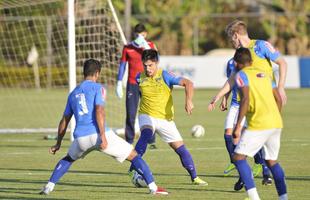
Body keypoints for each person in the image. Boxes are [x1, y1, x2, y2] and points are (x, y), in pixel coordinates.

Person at [39, 59, 168, 195]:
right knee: (134, 156)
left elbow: (64, 121)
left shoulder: (73, 93)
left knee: (68, 159)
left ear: (84, 73)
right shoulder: (98, 88)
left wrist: (58, 143)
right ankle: (153, 187)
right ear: (97, 73)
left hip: (80, 139)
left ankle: (49, 186)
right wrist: (102, 135)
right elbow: (99, 110)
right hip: (98, 136)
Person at [208, 20, 287, 189]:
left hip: (265, 101)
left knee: (260, 141)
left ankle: (264, 175)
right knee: (237, 136)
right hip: (248, 103)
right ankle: (249, 175)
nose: (232, 44)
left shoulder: (260, 46)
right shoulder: (241, 56)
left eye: (232, 40)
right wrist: (218, 96)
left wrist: (280, 87)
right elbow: (232, 80)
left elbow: (282, 63)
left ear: (236, 36)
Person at [129, 49, 207, 186]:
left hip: (165, 119)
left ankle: (195, 177)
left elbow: (188, 83)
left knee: (181, 149)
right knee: (146, 134)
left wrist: (188, 101)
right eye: (145, 65)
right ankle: (132, 169)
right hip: (146, 115)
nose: (148, 69)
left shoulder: (165, 75)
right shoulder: (139, 77)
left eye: (150, 65)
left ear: (156, 63)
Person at [232, 47, 287, 200]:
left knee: (238, 158)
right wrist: (276, 116)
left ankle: (254, 198)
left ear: (236, 63)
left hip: (258, 124)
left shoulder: (241, 75)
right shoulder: (266, 75)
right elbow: (278, 99)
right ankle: (284, 198)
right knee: (271, 161)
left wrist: (237, 126)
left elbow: (245, 99)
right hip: (276, 122)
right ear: (251, 61)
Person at [116, 23, 157, 148]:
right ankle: (129, 140)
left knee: (150, 111)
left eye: (142, 34)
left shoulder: (150, 45)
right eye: (138, 34)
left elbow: (156, 61)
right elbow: (123, 65)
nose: (140, 36)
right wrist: (118, 82)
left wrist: (146, 48)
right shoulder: (128, 47)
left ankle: (151, 140)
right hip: (132, 83)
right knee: (131, 112)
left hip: (148, 83)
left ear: (146, 34)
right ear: (135, 35)